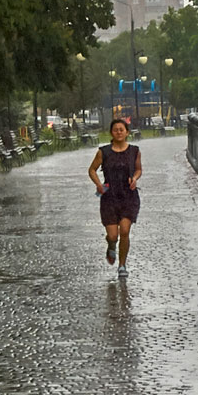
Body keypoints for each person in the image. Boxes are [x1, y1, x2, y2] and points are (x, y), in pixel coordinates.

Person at [87, 117, 142, 279]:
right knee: (113, 235)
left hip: (128, 195)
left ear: (127, 132)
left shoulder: (134, 151)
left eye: (122, 130)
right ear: (111, 132)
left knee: (124, 231)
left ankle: (122, 265)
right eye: (116, 130)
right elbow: (92, 170)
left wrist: (135, 178)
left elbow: (138, 169)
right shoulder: (103, 152)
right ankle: (111, 244)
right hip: (109, 196)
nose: (119, 132)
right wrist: (98, 184)